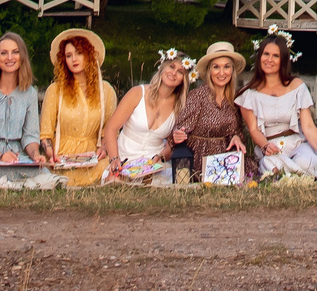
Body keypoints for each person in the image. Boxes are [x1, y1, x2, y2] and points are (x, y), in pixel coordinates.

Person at [0, 31, 56, 187]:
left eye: (15, 52)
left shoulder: (29, 93)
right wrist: (0, 156)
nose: (10, 57)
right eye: (4, 53)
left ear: (22, 57)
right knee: (7, 179)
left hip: (17, 157)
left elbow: (30, 136)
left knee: (49, 179)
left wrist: (35, 155)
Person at [241, 32, 317, 179]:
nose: (269, 59)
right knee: (269, 164)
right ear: (259, 57)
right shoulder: (249, 94)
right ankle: (303, 178)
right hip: (270, 148)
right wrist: (266, 146)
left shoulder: (297, 86)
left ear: (283, 60)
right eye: (266, 54)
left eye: (275, 56)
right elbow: (254, 130)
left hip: (297, 143)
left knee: (304, 161)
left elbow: (308, 127)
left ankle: (306, 174)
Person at [101, 47, 189, 184]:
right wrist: (114, 159)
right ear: (163, 67)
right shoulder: (137, 93)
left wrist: (161, 157)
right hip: (124, 158)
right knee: (114, 181)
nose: (173, 73)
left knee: (158, 184)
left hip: (153, 163)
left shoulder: (180, 106)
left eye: (180, 72)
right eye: (171, 67)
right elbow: (111, 128)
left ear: (184, 79)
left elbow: (171, 144)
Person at [167, 40, 247, 179]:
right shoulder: (197, 96)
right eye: (216, 67)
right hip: (200, 159)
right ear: (209, 70)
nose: (221, 73)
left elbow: (237, 131)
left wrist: (236, 137)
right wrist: (178, 135)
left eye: (226, 67)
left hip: (226, 159)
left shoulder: (234, 99)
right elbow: (179, 130)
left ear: (232, 70)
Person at [41, 28, 110, 187]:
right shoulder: (55, 90)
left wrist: (104, 147)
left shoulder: (105, 90)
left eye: (79, 53)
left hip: (93, 157)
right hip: (63, 154)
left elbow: (109, 131)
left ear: (89, 55)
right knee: (54, 175)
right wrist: (51, 154)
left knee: (107, 166)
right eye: (68, 55)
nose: (74, 59)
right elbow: (45, 135)